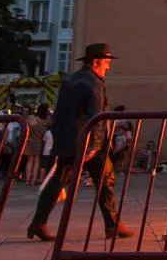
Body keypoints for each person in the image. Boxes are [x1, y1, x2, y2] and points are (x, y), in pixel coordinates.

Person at [27, 43, 131, 241]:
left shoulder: (70, 81)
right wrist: (94, 146)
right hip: (88, 142)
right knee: (105, 181)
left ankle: (38, 222)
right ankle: (112, 225)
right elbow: (96, 117)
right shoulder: (94, 83)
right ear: (96, 62)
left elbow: (59, 114)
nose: (108, 67)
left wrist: (59, 138)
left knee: (58, 181)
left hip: (68, 141)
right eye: (107, 62)